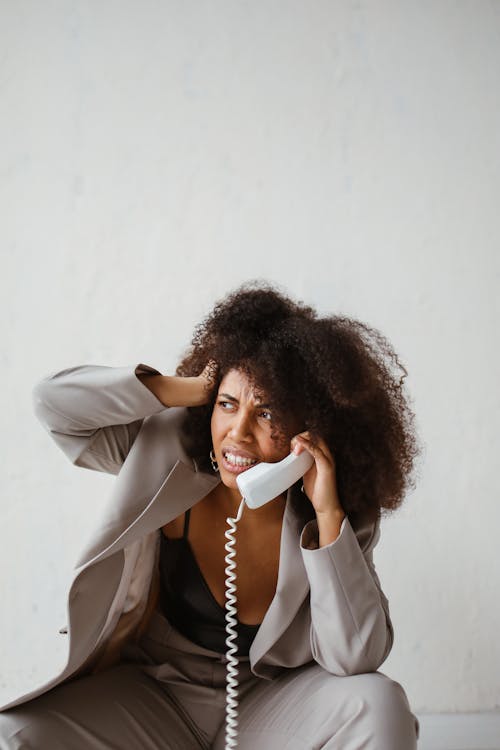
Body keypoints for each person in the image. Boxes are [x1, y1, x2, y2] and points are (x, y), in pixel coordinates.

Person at [0, 280, 421, 749]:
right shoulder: (165, 451)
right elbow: (53, 405)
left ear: (308, 432)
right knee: (16, 733)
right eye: (227, 405)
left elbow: (356, 656)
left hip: (272, 706)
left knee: (380, 705)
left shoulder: (337, 513)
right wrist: (187, 388)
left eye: (267, 414)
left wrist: (327, 514)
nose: (237, 432)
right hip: (157, 697)